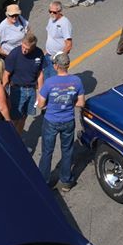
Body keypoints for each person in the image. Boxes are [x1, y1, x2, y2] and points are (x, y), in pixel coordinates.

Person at [37, 51, 85, 192]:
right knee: (67, 150)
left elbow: (41, 104)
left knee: (47, 151)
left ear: (56, 66)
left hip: (51, 121)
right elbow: (81, 103)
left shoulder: (49, 82)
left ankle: (44, 181)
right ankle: (66, 181)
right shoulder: (77, 81)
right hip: (68, 120)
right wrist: (69, 103)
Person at [3, 32, 44, 134]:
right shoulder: (14, 54)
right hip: (17, 90)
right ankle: (10, 138)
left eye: (27, 49)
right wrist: (3, 93)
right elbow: (6, 75)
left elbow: (40, 74)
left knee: (24, 116)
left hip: (31, 90)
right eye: (23, 47)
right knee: (14, 118)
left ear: (33, 47)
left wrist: (40, 93)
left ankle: (18, 138)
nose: (24, 50)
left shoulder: (39, 53)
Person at [44, 1, 73, 79]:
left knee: (55, 80)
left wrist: (59, 58)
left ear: (60, 11)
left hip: (56, 59)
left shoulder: (65, 23)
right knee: (46, 78)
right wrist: (46, 51)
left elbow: (69, 45)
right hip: (48, 56)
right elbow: (50, 36)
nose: (52, 14)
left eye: (54, 12)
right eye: (50, 11)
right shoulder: (51, 19)